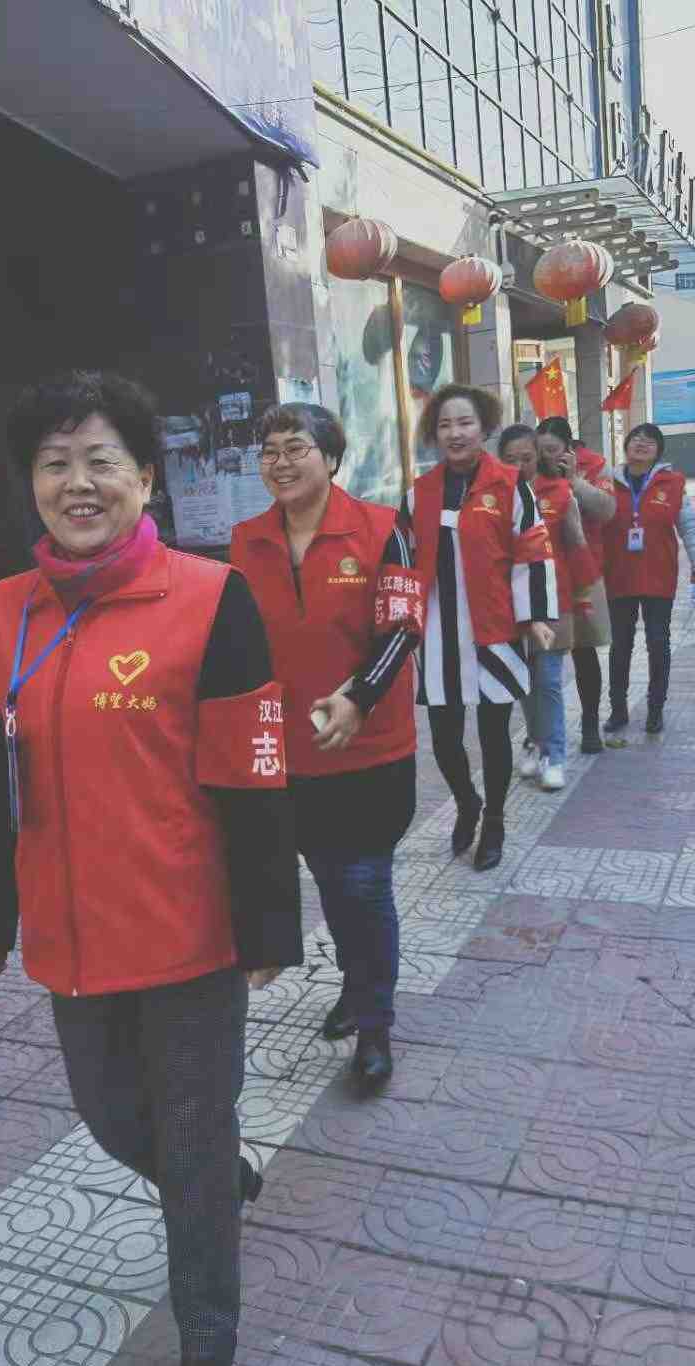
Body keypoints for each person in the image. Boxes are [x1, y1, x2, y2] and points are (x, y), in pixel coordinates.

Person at [0, 371, 302, 1366]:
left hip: (186, 934)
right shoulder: (5, 610)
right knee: (112, 1116)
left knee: (190, 1139)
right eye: (55, 463)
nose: (78, 483)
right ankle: (215, 1176)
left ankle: (208, 1341)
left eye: (101, 461)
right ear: (31, 483)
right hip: (71, 934)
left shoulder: (210, 597)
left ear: (147, 479)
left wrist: (269, 922)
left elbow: (255, 770)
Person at [232, 403, 419, 1089]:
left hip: (370, 755)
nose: (280, 462)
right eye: (269, 451)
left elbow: (403, 625)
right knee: (332, 883)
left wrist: (359, 697)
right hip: (288, 756)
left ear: (332, 458)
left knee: (363, 885)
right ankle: (356, 987)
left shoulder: (383, 528)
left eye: (296, 447)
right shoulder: (245, 541)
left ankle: (375, 1026)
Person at [401, 384, 557, 869]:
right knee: (444, 739)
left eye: (464, 423)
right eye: (445, 425)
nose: (455, 433)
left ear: (483, 428)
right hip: (439, 635)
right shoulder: (418, 494)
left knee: (494, 736)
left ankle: (494, 822)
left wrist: (535, 616)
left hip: (496, 629)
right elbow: (400, 562)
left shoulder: (510, 485)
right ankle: (467, 802)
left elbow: (533, 550)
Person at [500, 424, 596, 791]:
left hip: (555, 602)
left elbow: (577, 544)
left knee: (549, 681)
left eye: (526, 457)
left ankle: (555, 756)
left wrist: (585, 595)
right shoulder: (493, 499)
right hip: (510, 605)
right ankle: (536, 742)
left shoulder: (559, 493)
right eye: (510, 459)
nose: (519, 465)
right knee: (524, 683)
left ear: (538, 456)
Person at [602, 422, 695, 736]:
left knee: (658, 642)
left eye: (649, 441)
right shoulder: (606, 482)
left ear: (658, 451)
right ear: (626, 445)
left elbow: (689, 527)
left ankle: (655, 710)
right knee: (620, 645)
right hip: (618, 576)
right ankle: (618, 710)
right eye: (636, 438)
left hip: (658, 577)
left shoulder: (672, 483)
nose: (641, 443)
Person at [536, 417, 616, 753]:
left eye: (553, 449)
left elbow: (607, 510)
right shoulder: (531, 473)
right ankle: (539, 732)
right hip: (544, 574)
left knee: (584, 650)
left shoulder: (595, 466)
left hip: (584, 571)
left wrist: (574, 482)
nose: (547, 457)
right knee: (542, 656)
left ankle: (590, 723)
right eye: (541, 450)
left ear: (568, 447)